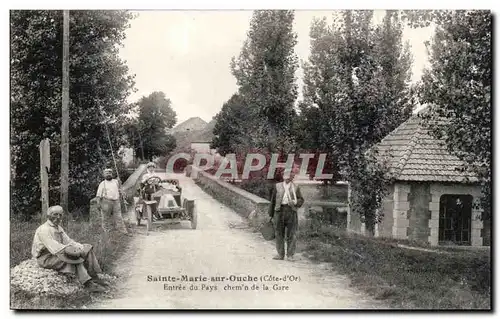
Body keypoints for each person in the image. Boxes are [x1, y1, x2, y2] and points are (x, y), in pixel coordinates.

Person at [32, 205, 107, 292]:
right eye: (55, 214)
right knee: (74, 257)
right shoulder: (44, 229)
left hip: (59, 252)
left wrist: (80, 247)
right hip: (46, 257)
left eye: (60, 215)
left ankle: (94, 276)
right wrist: (72, 251)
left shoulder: (58, 228)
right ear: (48, 216)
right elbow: (54, 247)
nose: (58, 217)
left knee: (87, 249)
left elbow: (68, 241)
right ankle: (87, 283)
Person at [268, 168, 304, 261]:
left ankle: (290, 255)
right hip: (279, 211)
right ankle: (280, 254)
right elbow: (273, 201)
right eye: (285, 175)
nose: (287, 177)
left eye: (289, 176)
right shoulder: (277, 186)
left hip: (291, 211)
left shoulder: (296, 187)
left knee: (292, 234)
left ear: (292, 177)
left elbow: (301, 199)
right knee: (279, 233)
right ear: (283, 176)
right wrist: (271, 214)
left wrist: (295, 202)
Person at [96, 168, 131, 236]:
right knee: (105, 218)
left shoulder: (116, 181)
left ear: (112, 174)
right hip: (106, 201)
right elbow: (98, 195)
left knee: (119, 217)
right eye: (106, 173)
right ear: (104, 175)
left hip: (116, 201)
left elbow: (120, 190)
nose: (108, 174)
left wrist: (122, 191)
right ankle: (107, 232)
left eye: (110, 173)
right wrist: (98, 203)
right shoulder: (102, 184)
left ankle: (123, 231)